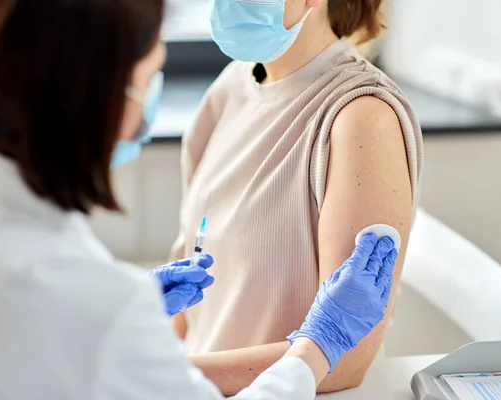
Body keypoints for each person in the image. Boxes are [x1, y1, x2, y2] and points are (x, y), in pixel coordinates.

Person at [0, 0, 401, 399]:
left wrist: (142, 337)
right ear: (98, 98)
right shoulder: (105, 311)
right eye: (147, 79)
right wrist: (319, 345)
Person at [169, 0, 425, 395]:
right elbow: (187, 306)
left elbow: (346, 362)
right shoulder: (230, 88)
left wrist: (166, 377)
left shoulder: (360, 119)